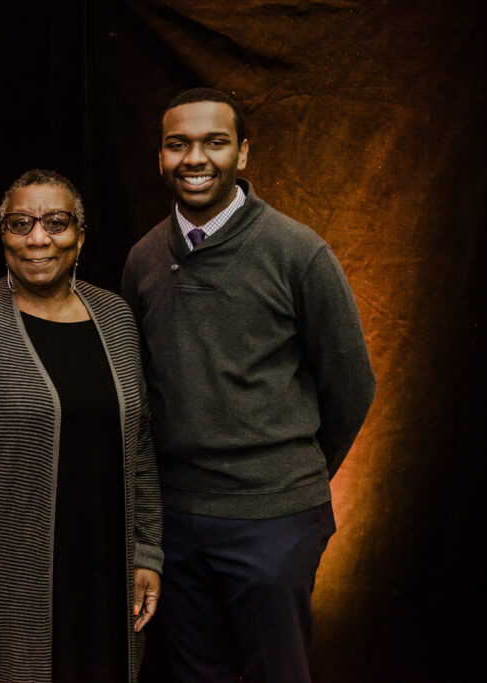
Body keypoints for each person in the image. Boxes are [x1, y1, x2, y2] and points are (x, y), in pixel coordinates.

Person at [121, 88, 376, 683]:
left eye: (214, 142)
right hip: (176, 523)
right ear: (160, 156)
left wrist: (290, 477)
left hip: (273, 520)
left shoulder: (296, 252)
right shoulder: (143, 259)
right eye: (177, 144)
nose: (194, 158)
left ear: (243, 154)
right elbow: (141, 385)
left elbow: (351, 385)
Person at [0, 169, 163, 682]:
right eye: (20, 223)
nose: (38, 238)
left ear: (81, 236)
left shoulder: (115, 318)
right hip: (3, 585)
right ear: (2, 234)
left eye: (56, 222)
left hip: (103, 576)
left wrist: (147, 550)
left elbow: (139, 443)